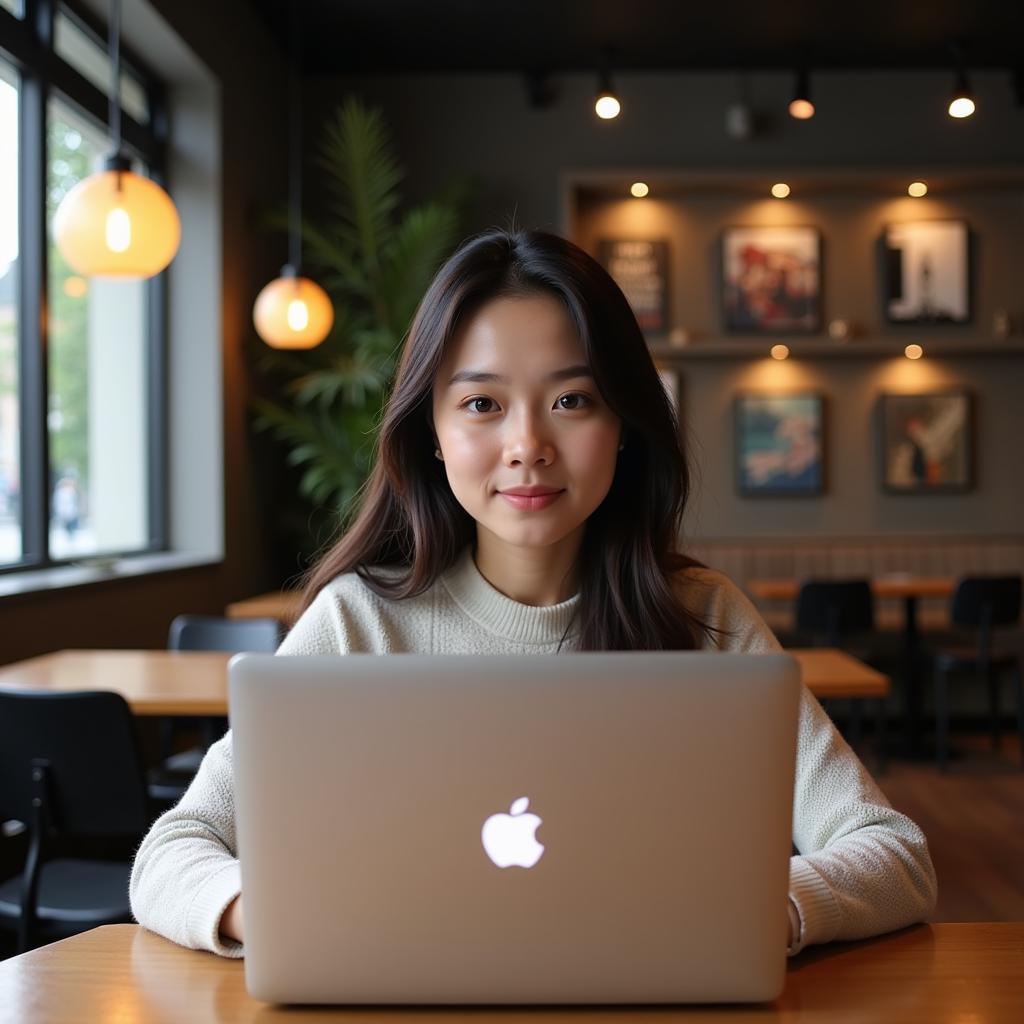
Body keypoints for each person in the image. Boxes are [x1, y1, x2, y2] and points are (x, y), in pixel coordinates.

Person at [130, 228, 936, 960]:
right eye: (482, 404)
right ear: (433, 435)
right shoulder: (357, 623)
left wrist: (771, 909)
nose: (527, 447)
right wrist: (262, 910)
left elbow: (894, 852)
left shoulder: (706, 618)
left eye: (572, 400)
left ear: (623, 424)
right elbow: (175, 849)